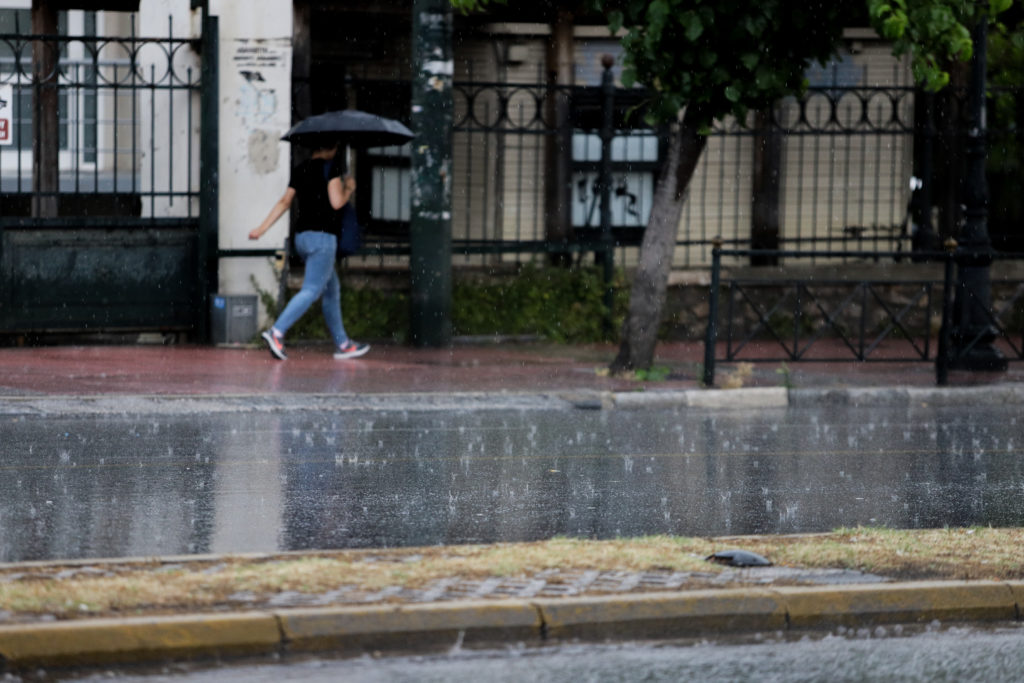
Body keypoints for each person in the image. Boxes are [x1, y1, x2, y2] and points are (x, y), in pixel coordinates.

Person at [249, 144, 369, 361]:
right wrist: (349, 188)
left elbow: (285, 201)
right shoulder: (331, 169)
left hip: (302, 238)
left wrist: (262, 228)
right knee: (312, 290)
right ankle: (276, 332)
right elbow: (336, 202)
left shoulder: (301, 168)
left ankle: (343, 344)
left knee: (332, 289)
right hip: (323, 239)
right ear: (331, 148)